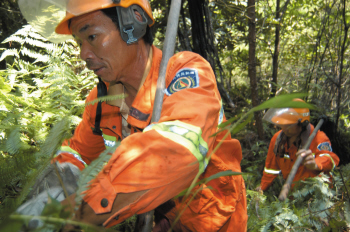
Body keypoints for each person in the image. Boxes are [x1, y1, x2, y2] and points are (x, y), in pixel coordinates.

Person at [19, 0, 248, 231]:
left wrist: (82, 210)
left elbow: (178, 153)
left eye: (91, 37)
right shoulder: (101, 102)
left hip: (216, 220)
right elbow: (78, 154)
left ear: (132, 24)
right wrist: (52, 189)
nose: (83, 54)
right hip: (166, 216)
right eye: (78, 43)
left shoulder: (184, 73)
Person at [256, 99, 339, 192]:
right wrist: (262, 188)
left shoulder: (318, 138)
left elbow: (331, 159)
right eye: (283, 124)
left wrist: (315, 164)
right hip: (294, 196)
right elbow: (270, 169)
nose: (284, 129)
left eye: (289, 125)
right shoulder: (278, 139)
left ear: (303, 124)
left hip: (317, 196)